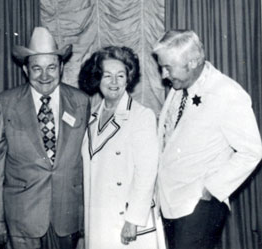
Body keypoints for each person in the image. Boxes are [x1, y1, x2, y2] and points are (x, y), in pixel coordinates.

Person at [0, 26, 90, 249]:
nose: (44, 76)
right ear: (25, 69)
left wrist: (84, 214)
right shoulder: (7, 103)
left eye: (51, 67)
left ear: (61, 67)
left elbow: (87, 160)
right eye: (36, 69)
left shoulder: (80, 102)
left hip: (66, 214)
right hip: (22, 215)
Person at [153, 29, 262, 249]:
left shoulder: (227, 93)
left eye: (168, 67)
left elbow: (252, 151)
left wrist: (211, 188)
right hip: (171, 202)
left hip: (198, 206)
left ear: (192, 62)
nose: (164, 75)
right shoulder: (180, 87)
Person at [78, 46, 166, 249]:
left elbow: (146, 172)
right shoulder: (91, 117)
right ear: (97, 78)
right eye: (107, 76)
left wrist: (133, 220)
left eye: (120, 75)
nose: (114, 82)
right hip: (98, 218)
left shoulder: (141, 116)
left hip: (127, 221)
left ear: (129, 78)